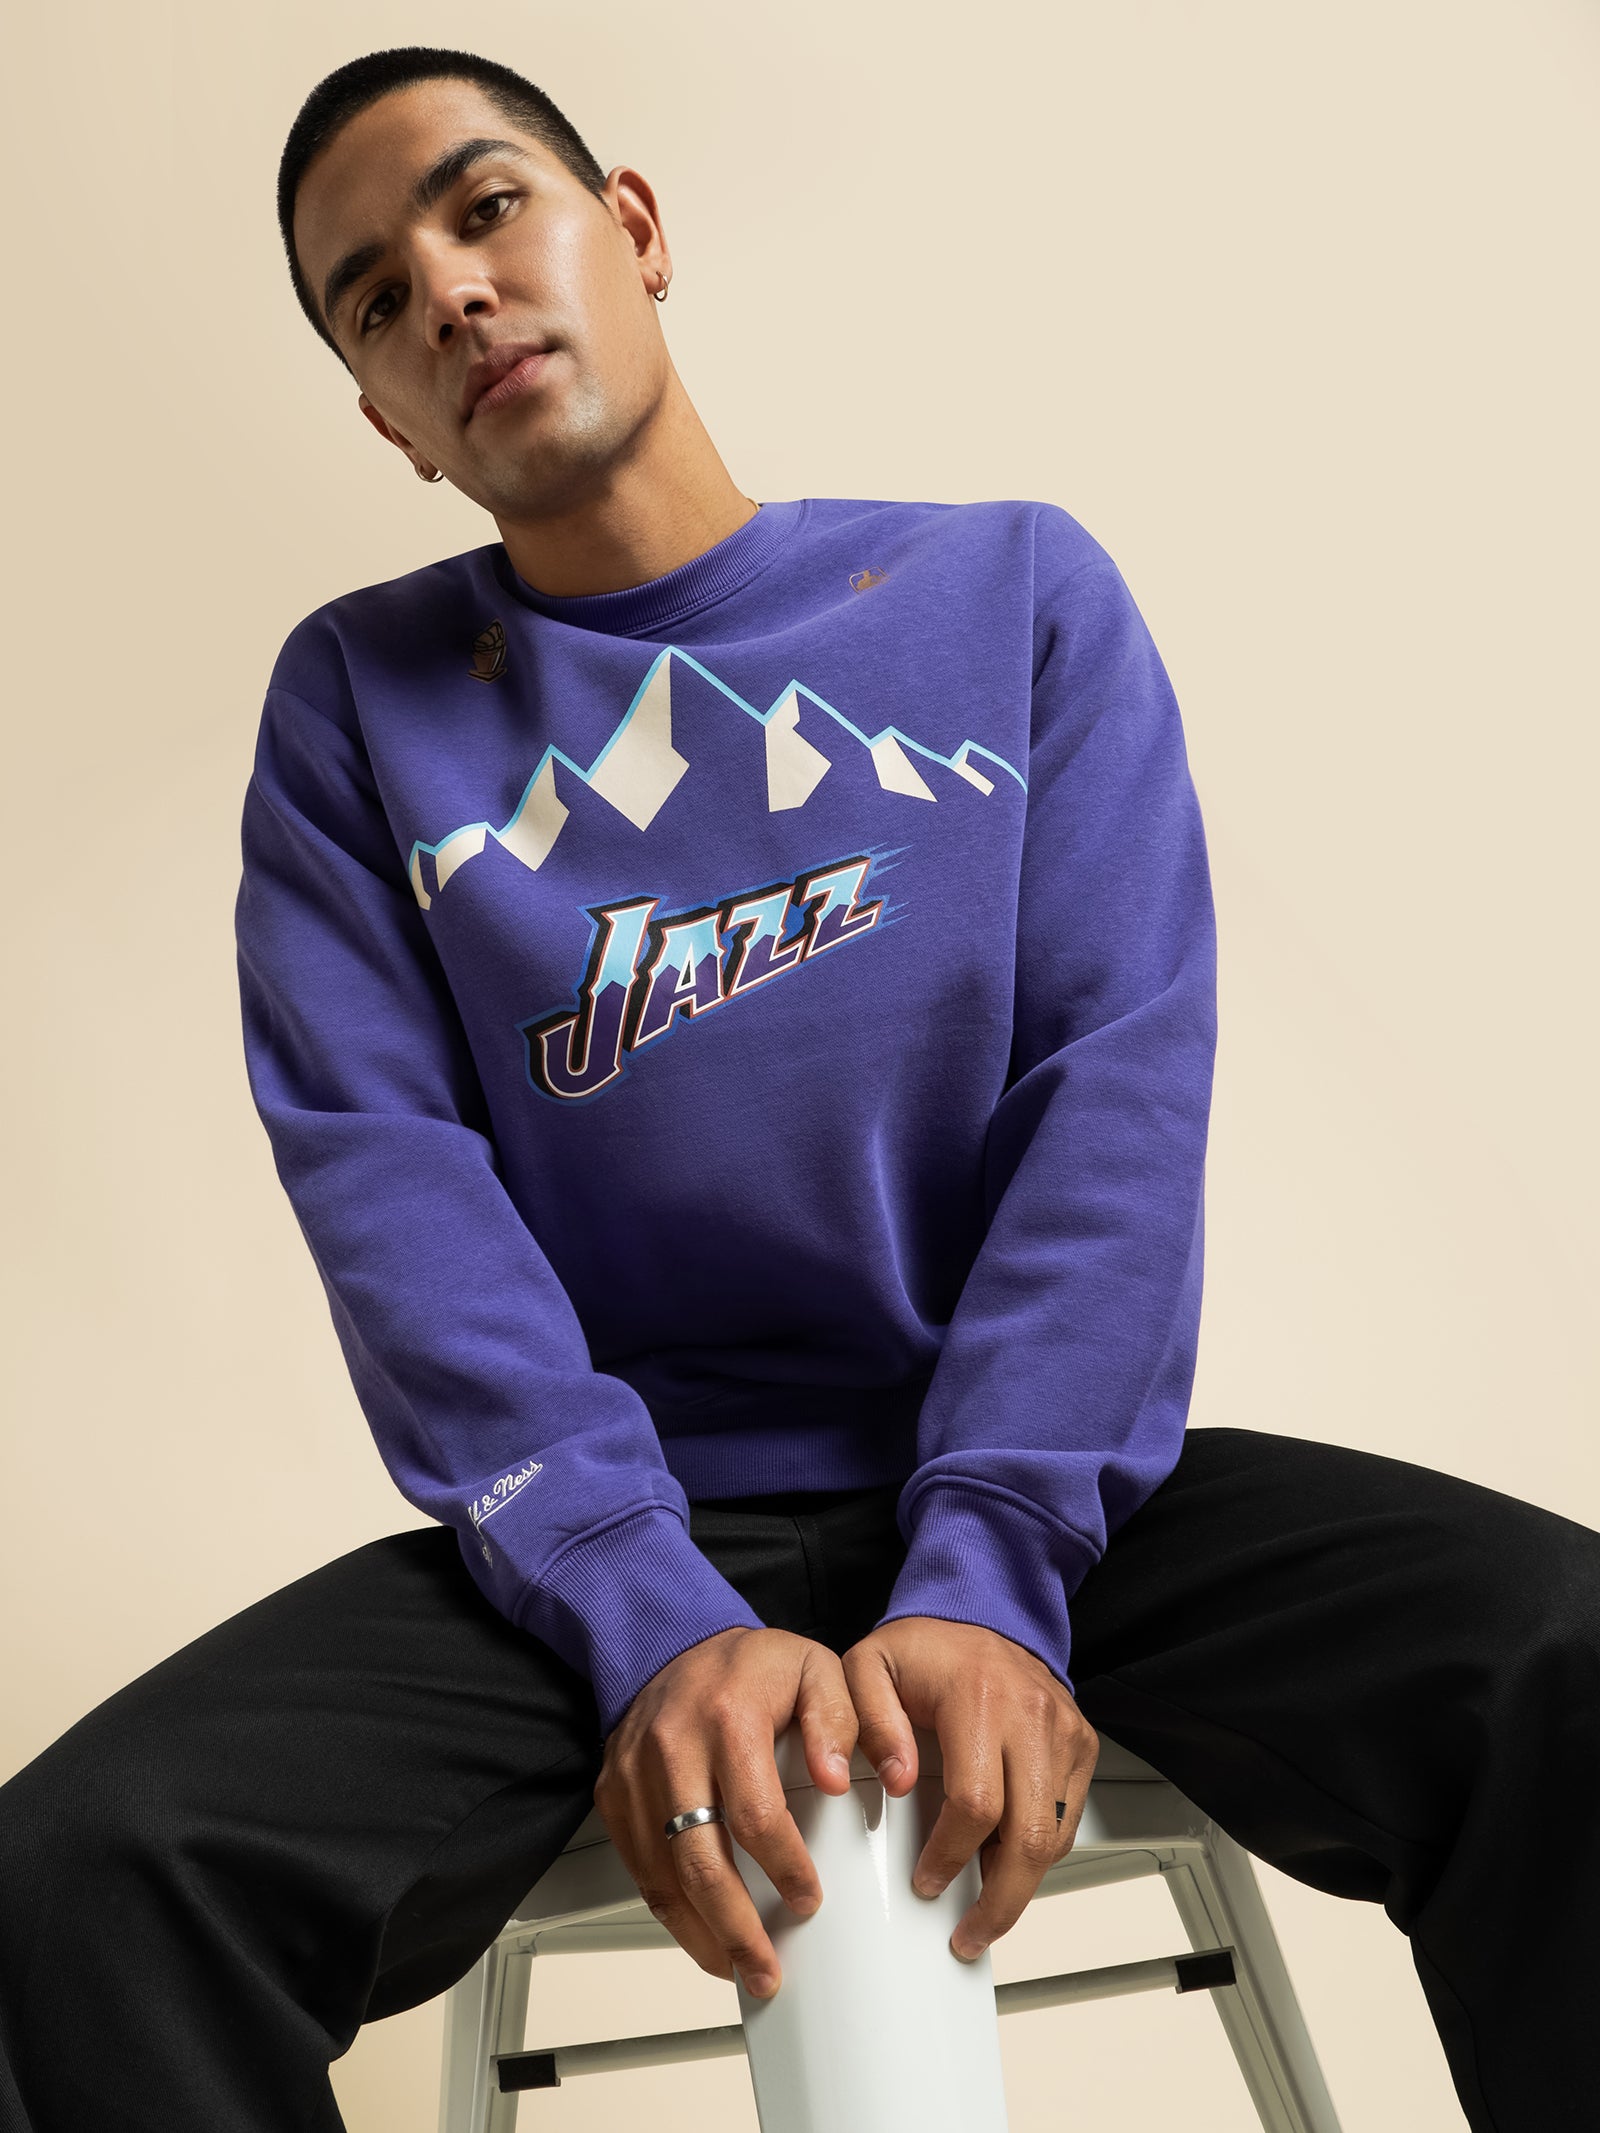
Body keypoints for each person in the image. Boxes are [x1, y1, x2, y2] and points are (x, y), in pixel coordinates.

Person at [0, 41, 1593, 2133]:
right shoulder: (356, 709)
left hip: (1029, 1484)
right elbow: (393, 1194)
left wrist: (989, 1560)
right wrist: (643, 1611)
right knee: (77, 1877)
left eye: (487, 208)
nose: (449, 292)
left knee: (1563, 1654)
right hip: (609, 1536)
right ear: (383, 416)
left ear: (635, 228)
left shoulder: (1009, 592)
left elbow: (1112, 1097)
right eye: (374, 299)